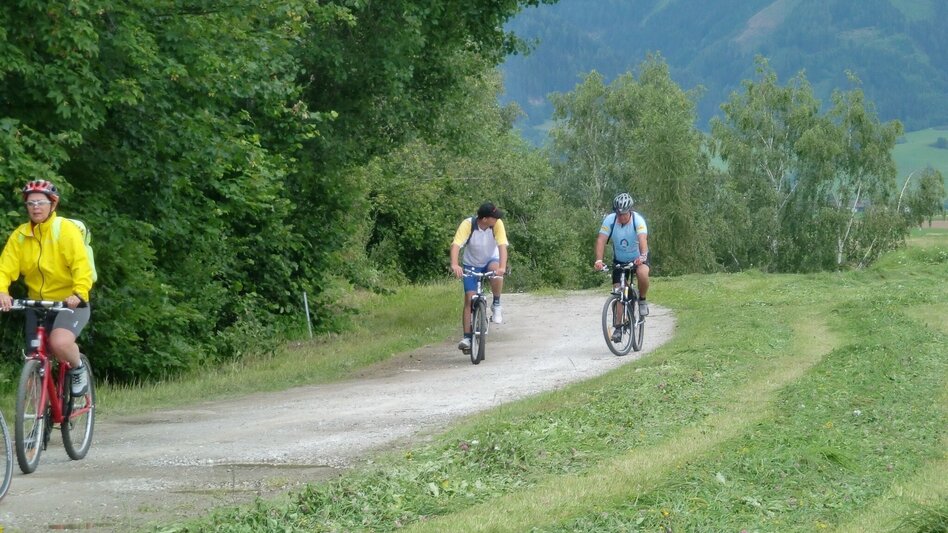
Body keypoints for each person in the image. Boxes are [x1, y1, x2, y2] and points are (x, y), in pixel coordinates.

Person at [0, 180, 94, 396]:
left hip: (69, 302)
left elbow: (82, 265)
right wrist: (2, 291)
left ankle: (78, 367)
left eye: (41, 202)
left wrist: (79, 292)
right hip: (38, 304)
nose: (35, 207)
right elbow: (5, 267)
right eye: (30, 203)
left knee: (60, 343)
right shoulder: (20, 236)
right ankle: (39, 422)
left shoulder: (65, 230)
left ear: (53, 204)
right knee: (33, 362)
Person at [449, 201, 508, 352]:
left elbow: (502, 246)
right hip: (471, 264)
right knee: (469, 298)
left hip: (490, 260)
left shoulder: (497, 225)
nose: (497, 219)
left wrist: (502, 267)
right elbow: (456, 245)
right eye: (494, 217)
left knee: (496, 273)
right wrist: (455, 265)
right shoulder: (468, 225)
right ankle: (467, 337)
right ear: (485, 219)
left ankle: (496, 303)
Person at [594, 193, 650, 341]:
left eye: (624, 214)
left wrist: (642, 256)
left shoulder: (638, 220)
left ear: (630, 211)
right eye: (618, 214)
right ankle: (618, 328)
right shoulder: (610, 220)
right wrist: (599, 260)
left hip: (638, 258)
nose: (621, 217)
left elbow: (642, 239)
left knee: (643, 273)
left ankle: (642, 300)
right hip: (619, 260)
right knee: (619, 291)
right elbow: (601, 240)